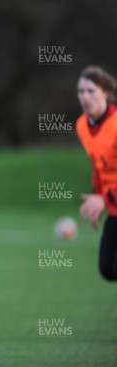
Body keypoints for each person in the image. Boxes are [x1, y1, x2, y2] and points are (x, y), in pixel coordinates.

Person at [75, 65, 117, 281]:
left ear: (106, 93)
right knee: (107, 269)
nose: (85, 96)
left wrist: (105, 198)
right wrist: (96, 195)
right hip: (114, 207)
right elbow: (97, 165)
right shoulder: (82, 125)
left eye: (91, 91)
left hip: (112, 199)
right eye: (81, 91)